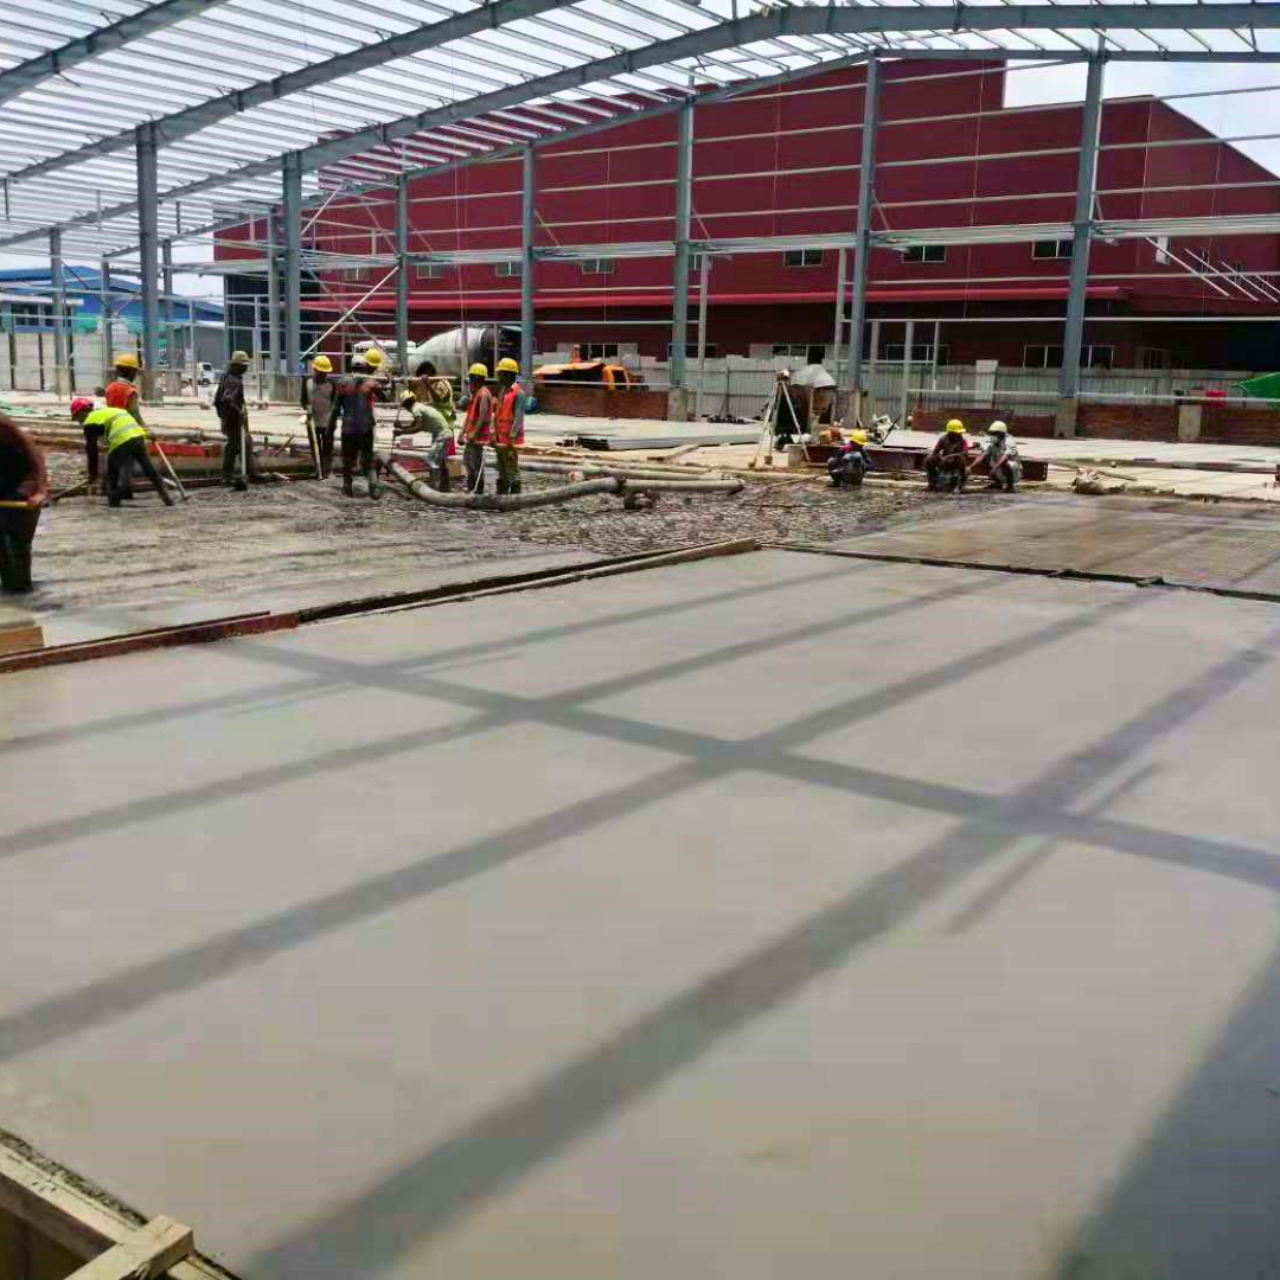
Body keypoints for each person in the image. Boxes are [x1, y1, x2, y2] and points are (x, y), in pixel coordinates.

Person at [70, 397, 174, 509]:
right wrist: (146, 433)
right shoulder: (108, 411)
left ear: (82, 412)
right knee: (149, 468)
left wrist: (93, 473)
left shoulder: (89, 421)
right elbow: (126, 423)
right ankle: (166, 497)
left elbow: (92, 450)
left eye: (77, 418)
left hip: (121, 439)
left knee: (111, 474)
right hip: (137, 436)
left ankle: (114, 502)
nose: (79, 422)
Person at [329, 349, 389, 499]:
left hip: (349, 428)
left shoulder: (342, 382)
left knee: (348, 459)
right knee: (368, 457)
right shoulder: (371, 382)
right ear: (364, 367)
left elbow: (335, 407)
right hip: (366, 427)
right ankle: (374, 485)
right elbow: (386, 398)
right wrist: (389, 384)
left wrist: (331, 426)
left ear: (351, 368)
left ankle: (347, 485)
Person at [0, 411, 48, 594]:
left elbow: (36, 461)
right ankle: (10, 585)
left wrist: (39, 490)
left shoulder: (6, 429)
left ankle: (22, 588)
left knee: (18, 541)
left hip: (24, 487)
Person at [215, 350, 257, 489]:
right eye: (244, 365)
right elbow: (228, 399)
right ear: (237, 366)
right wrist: (240, 413)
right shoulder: (234, 381)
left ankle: (249, 473)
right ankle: (228, 476)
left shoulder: (225, 377)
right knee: (233, 447)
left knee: (242, 445)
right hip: (232, 419)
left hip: (226, 417)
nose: (246, 368)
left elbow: (218, 400)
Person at [396, 390, 454, 491]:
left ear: (406, 404)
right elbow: (413, 425)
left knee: (432, 461)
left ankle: (434, 490)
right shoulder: (418, 406)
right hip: (444, 434)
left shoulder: (415, 409)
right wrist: (401, 428)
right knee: (441, 463)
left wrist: (401, 432)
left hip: (442, 435)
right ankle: (445, 488)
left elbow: (417, 427)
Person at [492, 357, 525, 496]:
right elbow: (498, 415)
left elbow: (518, 419)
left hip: (510, 442)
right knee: (501, 469)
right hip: (500, 439)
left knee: (512, 469)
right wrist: (494, 435)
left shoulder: (519, 394)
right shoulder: (503, 392)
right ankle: (502, 497)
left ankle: (515, 501)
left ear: (508, 374)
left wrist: (511, 440)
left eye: (500, 373)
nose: (498, 376)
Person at [301, 354, 337, 476]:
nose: (323, 374)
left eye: (325, 372)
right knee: (315, 446)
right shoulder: (307, 382)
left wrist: (333, 418)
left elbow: (335, 402)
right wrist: (307, 407)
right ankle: (317, 467)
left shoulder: (332, 384)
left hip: (328, 421)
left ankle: (328, 469)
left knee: (328, 446)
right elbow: (303, 400)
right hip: (312, 421)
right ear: (315, 370)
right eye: (321, 371)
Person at [460, 362, 493, 494]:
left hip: (477, 438)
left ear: (478, 379)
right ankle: (471, 490)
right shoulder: (475, 395)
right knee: (468, 464)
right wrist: (462, 433)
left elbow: (483, 417)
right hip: (471, 438)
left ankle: (478, 492)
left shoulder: (483, 394)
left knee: (476, 466)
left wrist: (474, 433)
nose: (471, 382)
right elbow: (469, 417)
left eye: (472, 379)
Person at [970, 420, 1022, 492]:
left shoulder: (1010, 442)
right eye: (991, 433)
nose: (992, 436)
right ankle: (997, 484)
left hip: (1014, 473)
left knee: (1004, 462)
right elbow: (982, 456)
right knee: (986, 457)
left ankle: (1010, 486)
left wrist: (995, 468)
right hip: (999, 471)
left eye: (994, 434)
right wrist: (970, 467)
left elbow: (1005, 457)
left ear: (1001, 434)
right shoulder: (993, 445)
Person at [926, 418, 971, 492]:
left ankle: (959, 486)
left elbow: (965, 453)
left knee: (962, 459)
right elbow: (935, 452)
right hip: (944, 463)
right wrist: (941, 459)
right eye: (957, 433)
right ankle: (932, 483)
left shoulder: (963, 441)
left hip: (956, 463)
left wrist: (951, 456)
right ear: (951, 433)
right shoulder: (943, 439)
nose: (960, 434)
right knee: (929, 458)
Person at [105, 352, 146, 426]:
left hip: (112, 427)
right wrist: (147, 431)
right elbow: (135, 416)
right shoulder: (130, 391)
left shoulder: (109, 388)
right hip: (126, 429)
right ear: (132, 371)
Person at [772, 370, 805, 449]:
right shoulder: (781, 391)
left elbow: (794, 406)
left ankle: (784, 441)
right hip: (783, 420)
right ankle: (782, 442)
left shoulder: (789, 391)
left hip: (789, 420)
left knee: (792, 433)